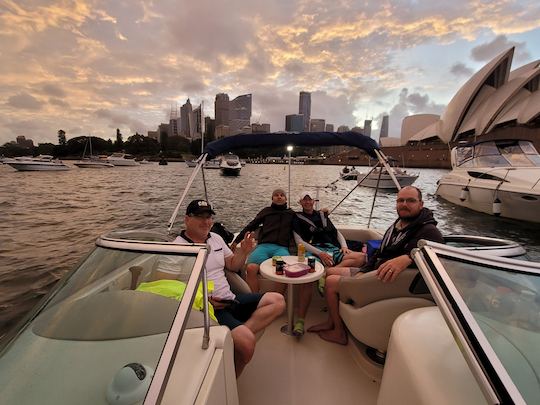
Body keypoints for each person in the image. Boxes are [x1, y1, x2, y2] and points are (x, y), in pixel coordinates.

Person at [308, 186, 444, 345]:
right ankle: (331, 321)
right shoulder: (399, 225)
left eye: (410, 200)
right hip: (373, 273)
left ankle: (338, 332)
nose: (404, 204)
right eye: (400, 200)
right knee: (329, 272)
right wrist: (362, 272)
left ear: (421, 204)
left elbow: (438, 257)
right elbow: (379, 253)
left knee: (331, 282)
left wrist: (409, 257)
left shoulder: (428, 231)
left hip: (385, 282)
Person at [173, 199, 285, 376]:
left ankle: (232, 340)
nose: (206, 221)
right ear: (187, 220)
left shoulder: (216, 238)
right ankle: (230, 380)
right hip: (208, 309)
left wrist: (244, 252)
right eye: (200, 217)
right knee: (248, 344)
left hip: (230, 298)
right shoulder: (176, 248)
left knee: (278, 301)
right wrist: (204, 301)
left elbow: (232, 265)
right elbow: (166, 289)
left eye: (209, 216)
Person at [291, 191, 366, 335]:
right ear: (300, 203)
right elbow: (299, 241)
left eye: (309, 200)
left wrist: (344, 247)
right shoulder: (296, 218)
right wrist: (320, 254)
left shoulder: (322, 215)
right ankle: (300, 321)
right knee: (307, 278)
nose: (307, 202)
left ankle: (325, 273)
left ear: (314, 201)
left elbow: (337, 233)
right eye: (304, 200)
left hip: (331, 249)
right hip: (313, 251)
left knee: (361, 258)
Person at [231, 189, 295, 292]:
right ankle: (255, 300)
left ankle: (277, 299)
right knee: (251, 268)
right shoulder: (266, 211)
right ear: (272, 198)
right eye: (276, 195)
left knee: (282, 270)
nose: (279, 197)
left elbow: (304, 223)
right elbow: (251, 226)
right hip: (264, 246)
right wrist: (236, 241)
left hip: (281, 247)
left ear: (286, 199)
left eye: (282, 195)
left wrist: (323, 214)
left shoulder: (291, 214)